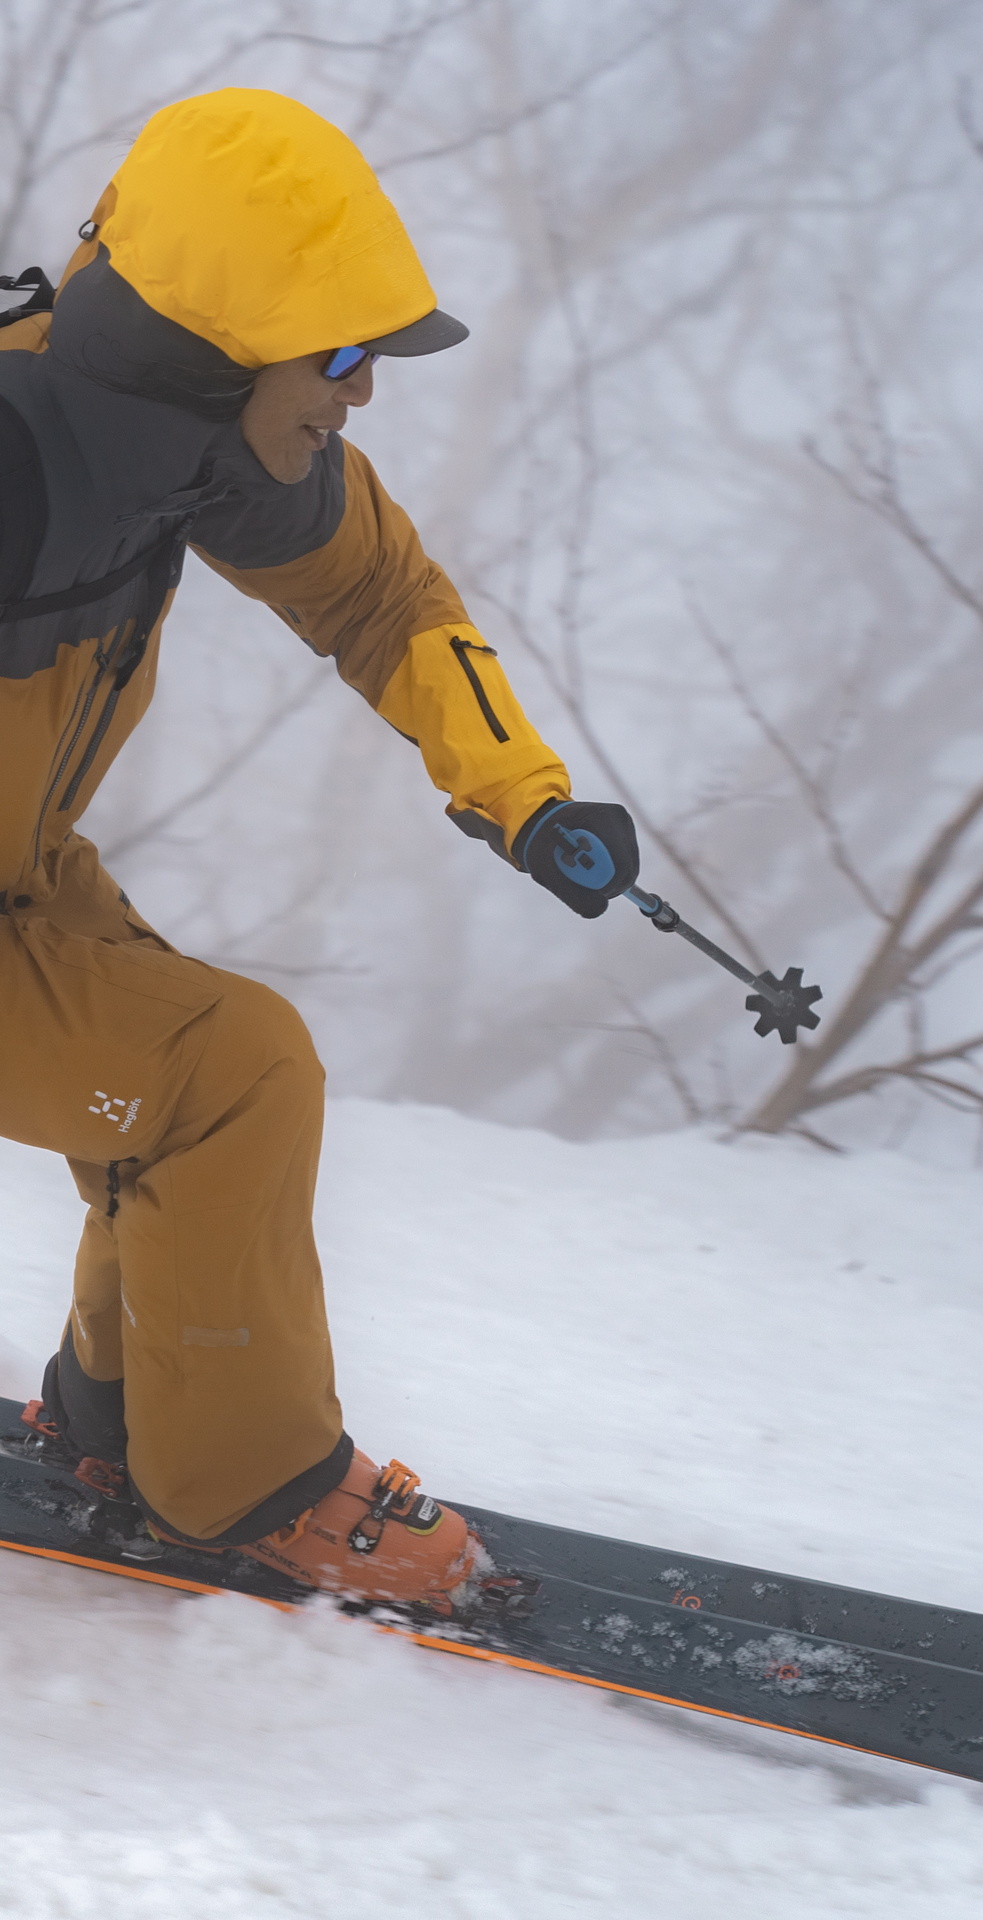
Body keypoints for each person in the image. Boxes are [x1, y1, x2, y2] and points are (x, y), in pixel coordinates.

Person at [0, 89, 639, 1611]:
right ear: (215, 352)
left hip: (19, 865)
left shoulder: (205, 453)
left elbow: (385, 599)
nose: (361, 395)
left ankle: (124, 1412)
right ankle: (248, 1487)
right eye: (341, 357)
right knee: (237, 1066)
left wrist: (521, 793)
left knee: (169, 1036)